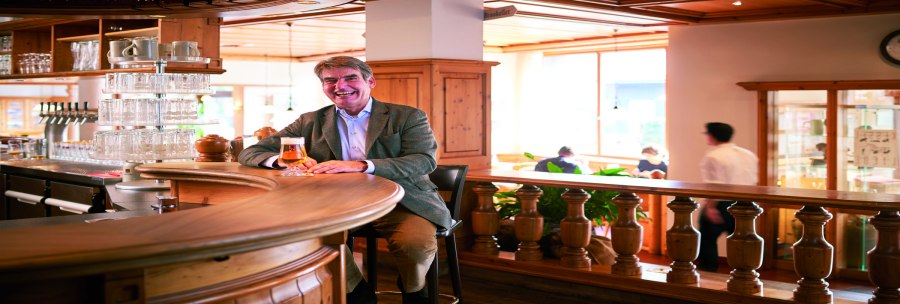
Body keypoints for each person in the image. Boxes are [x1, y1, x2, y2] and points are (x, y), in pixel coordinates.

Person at [239, 56, 447, 304]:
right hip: (335, 204)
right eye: (330, 80)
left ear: (370, 81)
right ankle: (357, 292)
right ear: (324, 86)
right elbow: (249, 152)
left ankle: (414, 291)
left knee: (414, 245)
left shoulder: (407, 116)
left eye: (350, 78)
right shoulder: (310, 121)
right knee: (317, 239)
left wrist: (360, 166)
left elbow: (424, 160)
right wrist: (280, 160)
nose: (340, 86)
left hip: (403, 201)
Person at [697, 122, 759, 272]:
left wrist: (710, 207)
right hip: (746, 204)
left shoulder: (713, 156)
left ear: (711, 136)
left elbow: (715, 185)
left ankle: (708, 276)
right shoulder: (748, 154)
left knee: (707, 240)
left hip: (722, 203)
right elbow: (754, 179)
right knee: (741, 242)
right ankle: (744, 274)